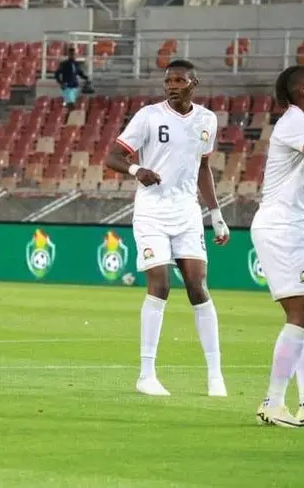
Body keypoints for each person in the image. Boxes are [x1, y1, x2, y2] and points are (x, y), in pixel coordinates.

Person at [104, 59, 230, 398]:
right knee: (159, 284)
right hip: (152, 212)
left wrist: (215, 214)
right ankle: (146, 374)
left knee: (198, 286)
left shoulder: (207, 119)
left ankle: (215, 375)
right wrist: (136, 171)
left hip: (187, 212)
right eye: (168, 80)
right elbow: (112, 157)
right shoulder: (149, 116)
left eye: (179, 80)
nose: (172, 85)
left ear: (194, 83)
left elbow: (203, 169)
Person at [251, 65, 304, 428]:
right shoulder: (295, 121)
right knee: (301, 316)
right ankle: (273, 403)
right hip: (280, 230)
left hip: (294, 230)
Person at [54, 47, 89, 112]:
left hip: (75, 86)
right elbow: (56, 74)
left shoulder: (76, 64)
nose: (72, 55)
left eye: (73, 54)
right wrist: (61, 83)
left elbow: (79, 73)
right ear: (68, 54)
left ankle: (71, 116)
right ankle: (72, 116)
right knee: (70, 103)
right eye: (71, 54)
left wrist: (85, 77)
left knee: (73, 102)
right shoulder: (64, 64)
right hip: (67, 86)